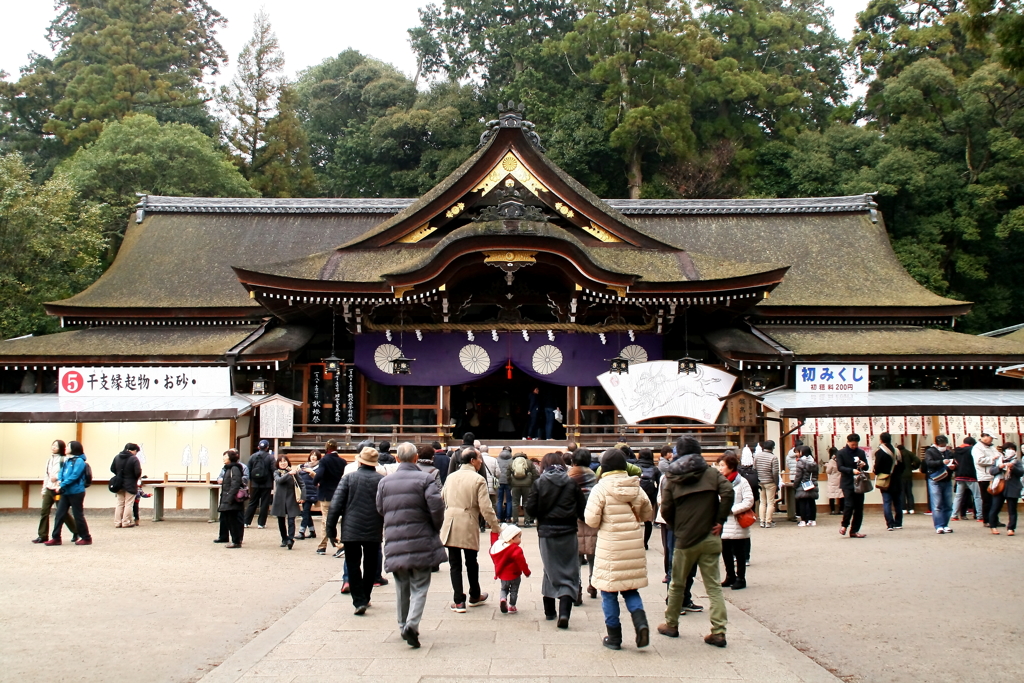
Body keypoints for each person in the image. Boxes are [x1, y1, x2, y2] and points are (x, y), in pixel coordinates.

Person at [658, 437, 733, 648]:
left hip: (684, 538)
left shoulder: (671, 477)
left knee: (677, 583)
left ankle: (671, 623)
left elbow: (665, 509)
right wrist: (719, 519)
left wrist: (676, 526)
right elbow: (728, 492)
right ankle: (718, 631)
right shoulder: (711, 473)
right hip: (710, 535)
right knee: (713, 587)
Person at [377, 442, 447, 648]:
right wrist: (434, 527)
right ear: (416, 458)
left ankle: (402, 625)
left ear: (397, 459)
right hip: (421, 537)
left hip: (395, 538)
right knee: (420, 585)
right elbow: (437, 508)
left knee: (401, 586)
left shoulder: (385, 482)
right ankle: (412, 624)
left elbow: (380, 508)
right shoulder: (426, 479)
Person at [584, 448, 654, 651]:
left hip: (610, 546)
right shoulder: (636, 486)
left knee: (608, 592)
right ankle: (641, 624)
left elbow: (591, 519)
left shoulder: (600, 488)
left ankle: (614, 637)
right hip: (632, 544)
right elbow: (647, 513)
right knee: (631, 588)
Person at [526, 452, 586, 628]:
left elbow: (530, 509)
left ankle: (550, 610)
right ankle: (564, 612)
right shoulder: (572, 483)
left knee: (549, 568)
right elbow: (583, 510)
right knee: (569, 570)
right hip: (568, 531)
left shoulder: (539, 483)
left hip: (547, 532)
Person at [441, 447, 501, 612]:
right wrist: (496, 527)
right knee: (471, 561)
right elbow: (486, 508)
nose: (481, 461)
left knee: (455, 564)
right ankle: (475, 594)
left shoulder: (450, 477)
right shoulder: (478, 479)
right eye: (479, 458)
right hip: (468, 521)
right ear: (472, 460)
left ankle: (458, 600)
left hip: (451, 521)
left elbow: (442, 497)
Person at [328, 447, 385, 614]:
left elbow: (335, 505)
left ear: (360, 461)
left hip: (351, 528)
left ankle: (358, 600)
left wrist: (331, 530)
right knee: (370, 564)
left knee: (352, 563)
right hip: (374, 528)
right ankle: (366, 597)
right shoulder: (381, 481)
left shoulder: (348, 478)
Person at [45, 440, 92, 546]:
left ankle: (86, 537)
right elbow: (61, 472)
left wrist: (62, 484)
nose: (66, 448)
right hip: (66, 492)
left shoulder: (79, 461)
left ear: (74, 448)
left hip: (76, 492)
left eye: (68, 446)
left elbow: (75, 476)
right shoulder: (67, 460)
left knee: (78, 515)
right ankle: (56, 537)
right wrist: (60, 481)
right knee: (59, 514)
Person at [718, 451, 754, 589]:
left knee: (739, 552)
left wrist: (732, 510)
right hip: (724, 522)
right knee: (725, 551)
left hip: (737, 521)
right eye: (719, 465)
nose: (720, 468)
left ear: (731, 467)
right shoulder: (719, 482)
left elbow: (749, 500)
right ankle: (730, 575)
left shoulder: (742, 481)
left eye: (722, 465)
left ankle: (741, 578)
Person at [568, 447, 598, 601]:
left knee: (576, 557)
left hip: (574, 519)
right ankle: (593, 585)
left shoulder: (569, 476)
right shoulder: (594, 476)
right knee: (592, 554)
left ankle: (577, 589)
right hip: (592, 518)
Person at [34, 440, 77, 543]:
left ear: (61, 448)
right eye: (53, 445)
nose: (53, 447)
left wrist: (57, 479)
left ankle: (76, 530)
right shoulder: (49, 460)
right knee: (44, 511)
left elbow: (67, 474)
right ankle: (42, 535)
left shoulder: (64, 460)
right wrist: (44, 490)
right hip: (49, 488)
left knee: (62, 512)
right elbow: (47, 476)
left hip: (59, 489)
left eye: (56, 446)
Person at [313, 440, 346, 555]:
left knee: (326, 520)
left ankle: (324, 545)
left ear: (326, 448)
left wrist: (315, 481)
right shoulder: (342, 462)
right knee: (339, 519)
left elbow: (320, 474)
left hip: (327, 493)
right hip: (339, 493)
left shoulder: (324, 460)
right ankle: (340, 541)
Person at [490, 523, 531, 614]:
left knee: (503, 589)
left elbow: (493, 542)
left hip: (504, 575)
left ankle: (503, 599)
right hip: (515, 575)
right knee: (514, 590)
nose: (520, 539)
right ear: (512, 538)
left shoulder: (500, 549)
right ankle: (512, 606)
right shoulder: (516, 550)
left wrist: (494, 532)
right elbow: (522, 563)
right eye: (519, 537)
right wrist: (527, 572)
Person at [837, 434, 869, 538]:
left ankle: (854, 530)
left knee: (859, 507)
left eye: (856, 444)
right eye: (852, 444)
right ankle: (844, 525)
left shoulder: (861, 452)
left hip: (859, 482)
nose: (854, 446)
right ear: (848, 442)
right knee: (849, 505)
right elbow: (840, 467)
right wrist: (851, 470)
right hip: (847, 482)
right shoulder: (841, 453)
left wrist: (863, 465)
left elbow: (867, 466)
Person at [988, 443, 1023, 535]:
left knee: (1012, 509)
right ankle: (993, 526)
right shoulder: (998, 460)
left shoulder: (1017, 461)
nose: (1010, 451)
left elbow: (1021, 473)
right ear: (1004, 451)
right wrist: (999, 467)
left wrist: (1013, 467)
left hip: (1012, 487)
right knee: (995, 507)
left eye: (1012, 449)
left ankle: (1011, 528)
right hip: (999, 486)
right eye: (1008, 449)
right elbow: (991, 471)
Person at [924, 435, 956, 534]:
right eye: (942, 445)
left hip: (946, 479)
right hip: (935, 479)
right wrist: (942, 462)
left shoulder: (948, 452)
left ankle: (945, 524)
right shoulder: (930, 451)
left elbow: (954, 461)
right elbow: (929, 463)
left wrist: (953, 466)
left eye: (945, 445)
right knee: (937, 504)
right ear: (937, 444)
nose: (944, 446)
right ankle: (939, 525)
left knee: (948, 504)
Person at [873, 433, 904, 531]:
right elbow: (902, 466)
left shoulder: (880, 452)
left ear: (881, 440)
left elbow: (877, 467)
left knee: (887, 502)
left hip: (885, 479)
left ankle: (890, 524)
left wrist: (876, 472)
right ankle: (898, 523)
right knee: (898, 502)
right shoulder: (897, 451)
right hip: (897, 479)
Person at [215, 449, 246, 548]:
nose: (224, 458)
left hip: (232, 499)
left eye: (226, 456)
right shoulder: (228, 468)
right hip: (227, 497)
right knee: (228, 519)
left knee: (234, 520)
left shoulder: (234, 468)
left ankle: (236, 541)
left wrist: (230, 497)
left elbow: (235, 484)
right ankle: (233, 539)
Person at [271, 454, 301, 549]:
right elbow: (279, 481)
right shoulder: (276, 472)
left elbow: (301, 484)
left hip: (291, 498)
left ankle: (290, 539)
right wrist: (289, 474)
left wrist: (303, 496)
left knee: (291, 520)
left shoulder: (293, 472)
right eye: (281, 461)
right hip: (280, 499)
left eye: (285, 461)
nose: (283, 463)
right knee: (281, 520)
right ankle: (284, 538)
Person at [244, 440, 276, 529]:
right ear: (267, 447)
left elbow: (248, 469)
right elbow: (274, 469)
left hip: (255, 483)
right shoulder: (270, 457)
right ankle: (261, 523)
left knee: (252, 502)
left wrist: (252, 479)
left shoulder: (252, 457)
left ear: (258, 447)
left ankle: (246, 522)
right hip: (267, 483)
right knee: (264, 503)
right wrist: (272, 479)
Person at [110, 443, 142, 529]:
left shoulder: (117, 457)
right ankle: (126, 522)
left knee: (120, 503)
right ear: (134, 450)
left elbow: (112, 468)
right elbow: (137, 472)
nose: (136, 453)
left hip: (118, 484)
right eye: (136, 451)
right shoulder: (134, 459)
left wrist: (119, 474)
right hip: (130, 484)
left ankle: (117, 522)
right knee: (128, 503)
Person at [951, 436, 982, 521]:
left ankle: (954, 515)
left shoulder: (956, 450)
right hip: (971, 475)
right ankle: (980, 516)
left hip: (959, 475)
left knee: (958, 496)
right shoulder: (973, 449)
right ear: (972, 443)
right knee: (977, 496)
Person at [973, 433, 1000, 526]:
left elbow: (999, 456)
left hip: (994, 476)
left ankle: (995, 519)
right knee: (987, 499)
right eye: (990, 438)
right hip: (984, 476)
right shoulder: (977, 448)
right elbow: (979, 460)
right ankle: (987, 520)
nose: (991, 440)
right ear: (984, 437)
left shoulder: (992, 447)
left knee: (996, 499)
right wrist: (993, 459)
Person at [636, 448, 659, 550]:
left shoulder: (635, 468)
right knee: (648, 521)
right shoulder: (655, 469)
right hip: (650, 496)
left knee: (634, 519)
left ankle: (635, 541)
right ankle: (645, 543)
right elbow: (659, 484)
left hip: (636, 495)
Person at [753, 440, 779, 528]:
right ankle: (768, 521)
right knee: (770, 502)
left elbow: (754, 469)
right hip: (770, 482)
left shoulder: (757, 456)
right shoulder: (773, 458)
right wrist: (777, 483)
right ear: (773, 447)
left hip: (760, 482)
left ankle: (761, 521)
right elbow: (775, 472)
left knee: (762, 502)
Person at [792, 445, 819, 528]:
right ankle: (812, 520)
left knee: (802, 503)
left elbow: (798, 476)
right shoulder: (814, 462)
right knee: (811, 502)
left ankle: (803, 520)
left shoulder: (801, 462)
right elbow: (816, 475)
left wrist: (795, 485)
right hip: (812, 484)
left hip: (802, 484)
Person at [509, 451, 537, 527]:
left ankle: (515, 521)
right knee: (526, 503)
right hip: (527, 485)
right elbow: (535, 474)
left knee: (515, 503)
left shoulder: (511, 462)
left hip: (515, 485)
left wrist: (510, 484)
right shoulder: (529, 462)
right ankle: (527, 522)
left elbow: (507, 475)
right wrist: (532, 484)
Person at [296, 451, 319, 540]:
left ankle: (301, 532)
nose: (313, 457)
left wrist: (311, 472)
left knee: (305, 511)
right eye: (312, 455)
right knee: (307, 512)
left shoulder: (319, 467)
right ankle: (312, 531)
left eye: (315, 456)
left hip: (312, 492)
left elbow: (318, 478)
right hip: (304, 492)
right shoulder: (303, 466)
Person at [899, 442, 920, 515]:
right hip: (909, 475)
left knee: (902, 493)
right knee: (909, 492)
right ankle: (911, 509)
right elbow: (918, 460)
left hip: (900, 475)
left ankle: (903, 509)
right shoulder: (909, 453)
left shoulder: (898, 454)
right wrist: (913, 467)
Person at [495, 446, 515, 523]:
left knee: (499, 500)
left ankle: (499, 517)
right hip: (509, 481)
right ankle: (508, 518)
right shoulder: (512, 460)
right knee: (509, 500)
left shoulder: (497, 459)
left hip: (500, 481)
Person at [825, 447, 843, 515]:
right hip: (840, 478)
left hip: (832, 479)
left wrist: (827, 465)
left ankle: (832, 510)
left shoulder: (832, 460)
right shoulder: (840, 458)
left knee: (831, 495)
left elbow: (828, 471)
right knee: (841, 495)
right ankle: (841, 510)